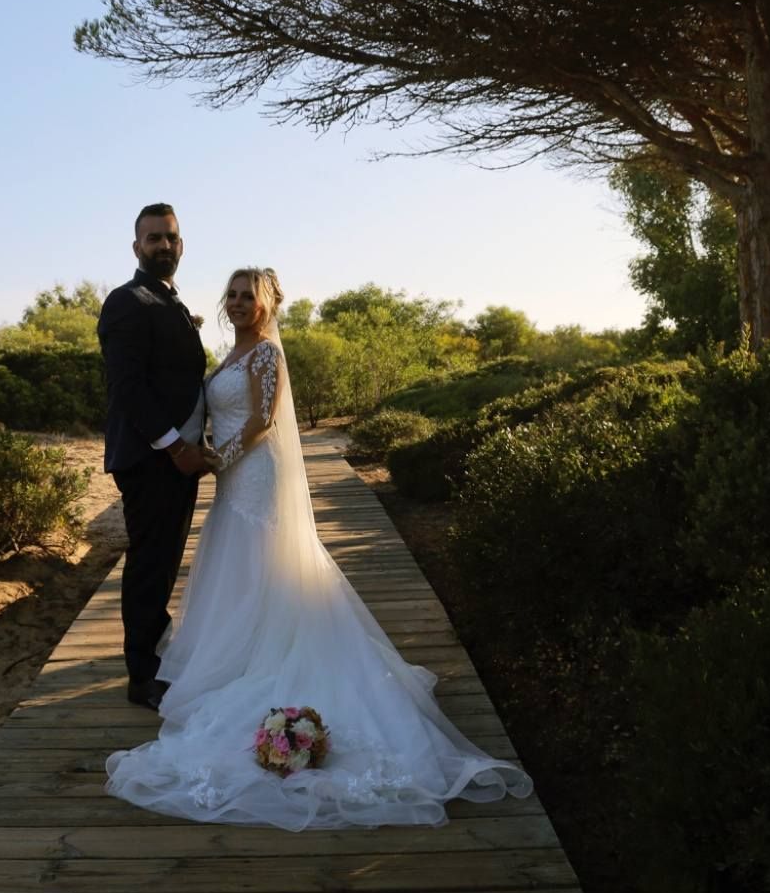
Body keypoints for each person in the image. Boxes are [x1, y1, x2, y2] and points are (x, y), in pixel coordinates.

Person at [105, 267, 532, 830]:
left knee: (265, 561)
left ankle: (272, 653)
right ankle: (245, 650)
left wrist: (216, 458)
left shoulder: (266, 356)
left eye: (247, 297)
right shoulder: (231, 355)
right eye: (231, 295)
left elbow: (260, 421)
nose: (236, 303)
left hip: (255, 472)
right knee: (238, 567)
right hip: (234, 476)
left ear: (267, 304)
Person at [97, 203, 212, 712]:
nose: (163, 246)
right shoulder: (127, 301)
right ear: (136, 247)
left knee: (163, 563)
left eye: (170, 238)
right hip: (151, 460)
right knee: (149, 565)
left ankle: (156, 658)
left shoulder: (167, 301)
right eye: (153, 239)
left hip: (174, 458)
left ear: (181, 245)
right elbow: (129, 389)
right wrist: (175, 448)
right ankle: (142, 676)